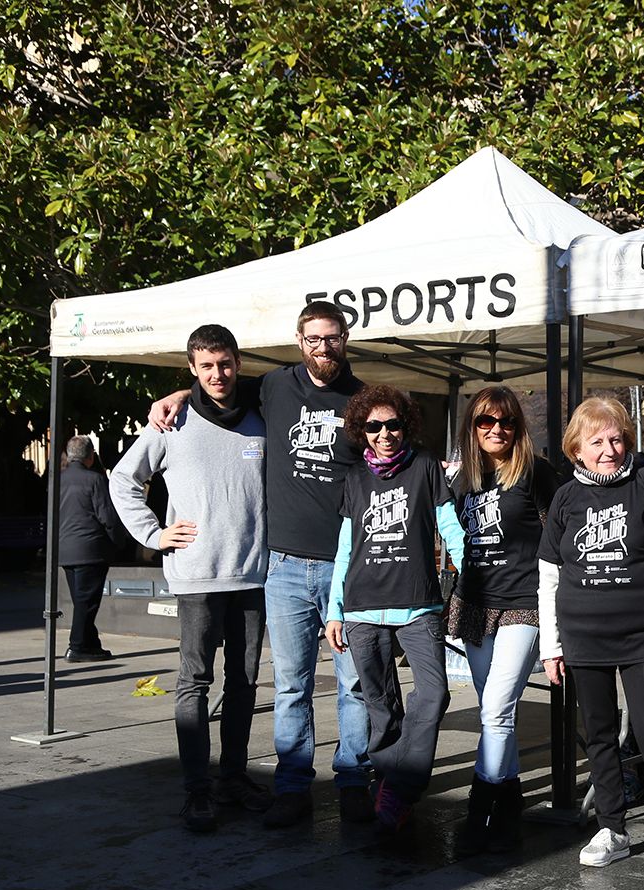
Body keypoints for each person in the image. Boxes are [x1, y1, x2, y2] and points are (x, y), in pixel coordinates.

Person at [150, 300, 371, 829]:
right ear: (300, 341)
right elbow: (213, 387)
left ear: (345, 337)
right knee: (292, 685)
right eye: (313, 339)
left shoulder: (363, 399)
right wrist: (176, 395)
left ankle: (354, 783)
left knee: (353, 684)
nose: (323, 347)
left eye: (332, 337)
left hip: (346, 565)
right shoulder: (272, 387)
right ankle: (292, 787)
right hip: (284, 565)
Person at [111, 325, 272, 832]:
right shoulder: (170, 425)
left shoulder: (262, 417)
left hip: (251, 573)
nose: (217, 374)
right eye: (205, 367)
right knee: (194, 683)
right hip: (198, 576)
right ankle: (196, 789)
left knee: (244, 682)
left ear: (238, 363)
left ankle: (232, 777)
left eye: (224, 364)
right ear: (192, 369)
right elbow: (123, 479)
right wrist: (154, 534)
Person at [538, 397, 644, 872]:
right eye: (597, 441)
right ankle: (612, 827)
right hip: (582, 637)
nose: (608, 449)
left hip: (643, 635)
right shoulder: (566, 498)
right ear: (576, 450)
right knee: (601, 735)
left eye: (616, 439)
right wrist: (551, 646)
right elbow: (549, 576)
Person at [322, 385, 465, 836]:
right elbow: (346, 549)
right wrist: (334, 609)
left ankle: (398, 782)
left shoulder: (424, 466)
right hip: (362, 607)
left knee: (434, 693)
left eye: (393, 425)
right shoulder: (355, 479)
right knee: (381, 706)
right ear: (361, 431)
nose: (384, 434)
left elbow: (449, 527)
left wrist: (472, 572)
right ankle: (391, 794)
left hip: (418, 603)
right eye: (374, 427)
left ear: (406, 425)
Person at [446, 386, 558, 855]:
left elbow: (562, 534)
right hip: (474, 603)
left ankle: (480, 807)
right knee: (498, 713)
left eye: (506, 421)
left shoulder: (536, 471)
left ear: (518, 427)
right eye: (485, 422)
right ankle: (509, 794)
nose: (496, 430)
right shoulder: (461, 481)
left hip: (523, 601)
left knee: (494, 707)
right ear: (471, 427)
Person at [58, 434, 129, 662]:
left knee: (81, 601)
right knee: (87, 602)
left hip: (66, 549)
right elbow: (107, 516)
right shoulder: (95, 480)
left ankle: (91, 644)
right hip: (91, 549)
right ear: (90, 457)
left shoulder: (56, 480)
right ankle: (77, 646)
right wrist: (120, 542)